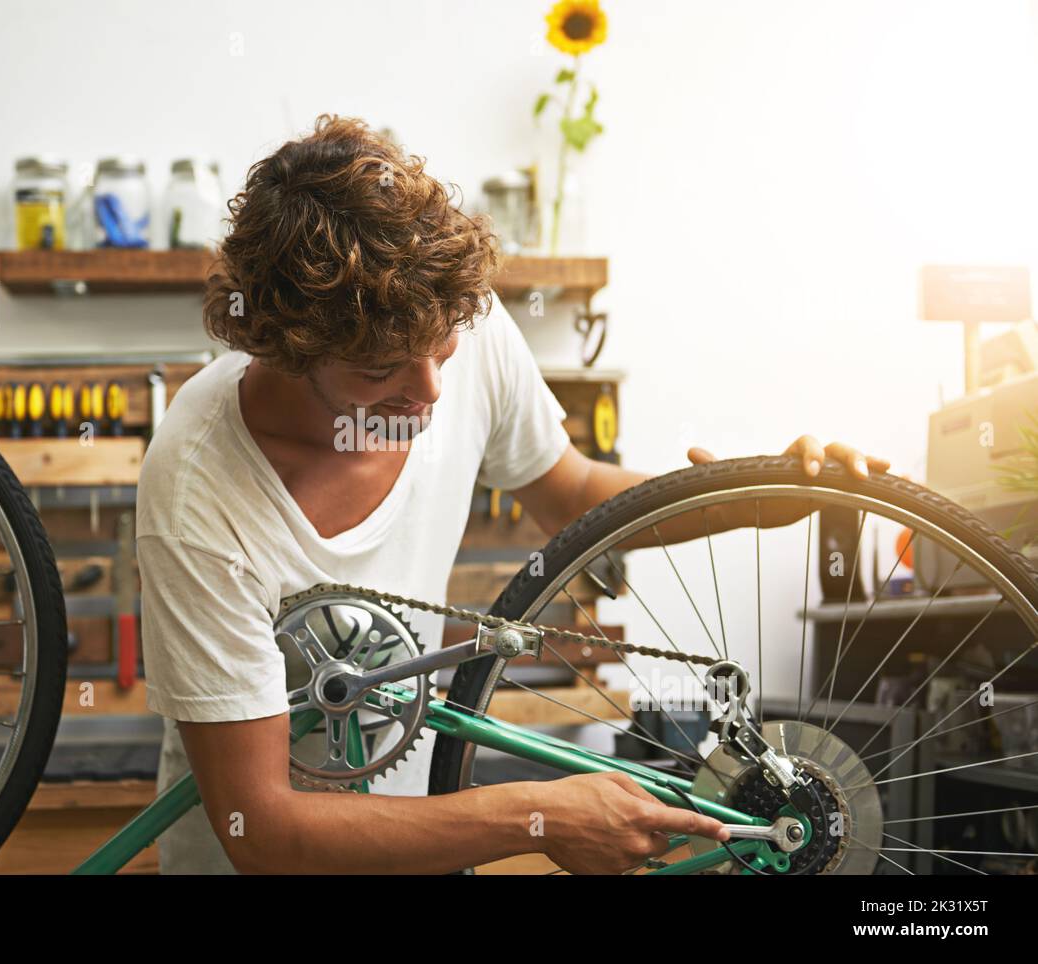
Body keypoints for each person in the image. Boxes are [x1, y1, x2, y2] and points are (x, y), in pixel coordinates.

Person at [135, 114, 888, 874]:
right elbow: (262, 831)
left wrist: (758, 495)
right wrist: (535, 816)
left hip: (415, 845)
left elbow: (575, 495)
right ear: (286, 349)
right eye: (379, 371)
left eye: (442, 350)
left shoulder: (449, 322)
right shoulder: (199, 490)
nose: (431, 390)